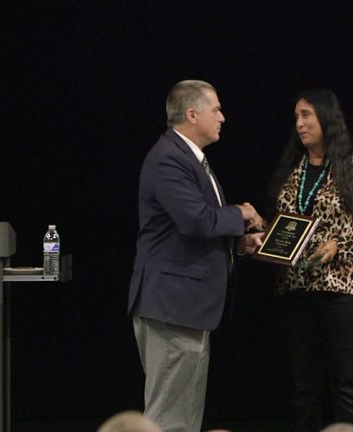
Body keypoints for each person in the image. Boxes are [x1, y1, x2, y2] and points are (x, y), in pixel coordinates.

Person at [128, 79, 263, 432]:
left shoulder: (189, 159)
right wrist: (242, 214)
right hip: (172, 306)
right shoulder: (168, 159)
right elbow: (195, 220)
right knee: (169, 417)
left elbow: (187, 232)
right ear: (192, 114)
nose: (222, 117)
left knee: (184, 418)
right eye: (216, 109)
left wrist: (239, 246)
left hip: (187, 308)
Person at [268, 89, 353, 431]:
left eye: (306, 115)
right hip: (296, 288)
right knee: (303, 387)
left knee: (348, 384)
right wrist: (264, 234)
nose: (299, 124)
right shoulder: (293, 168)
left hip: (348, 287)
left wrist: (342, 242)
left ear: (327, 118)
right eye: (296, 117)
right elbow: (286, 225)